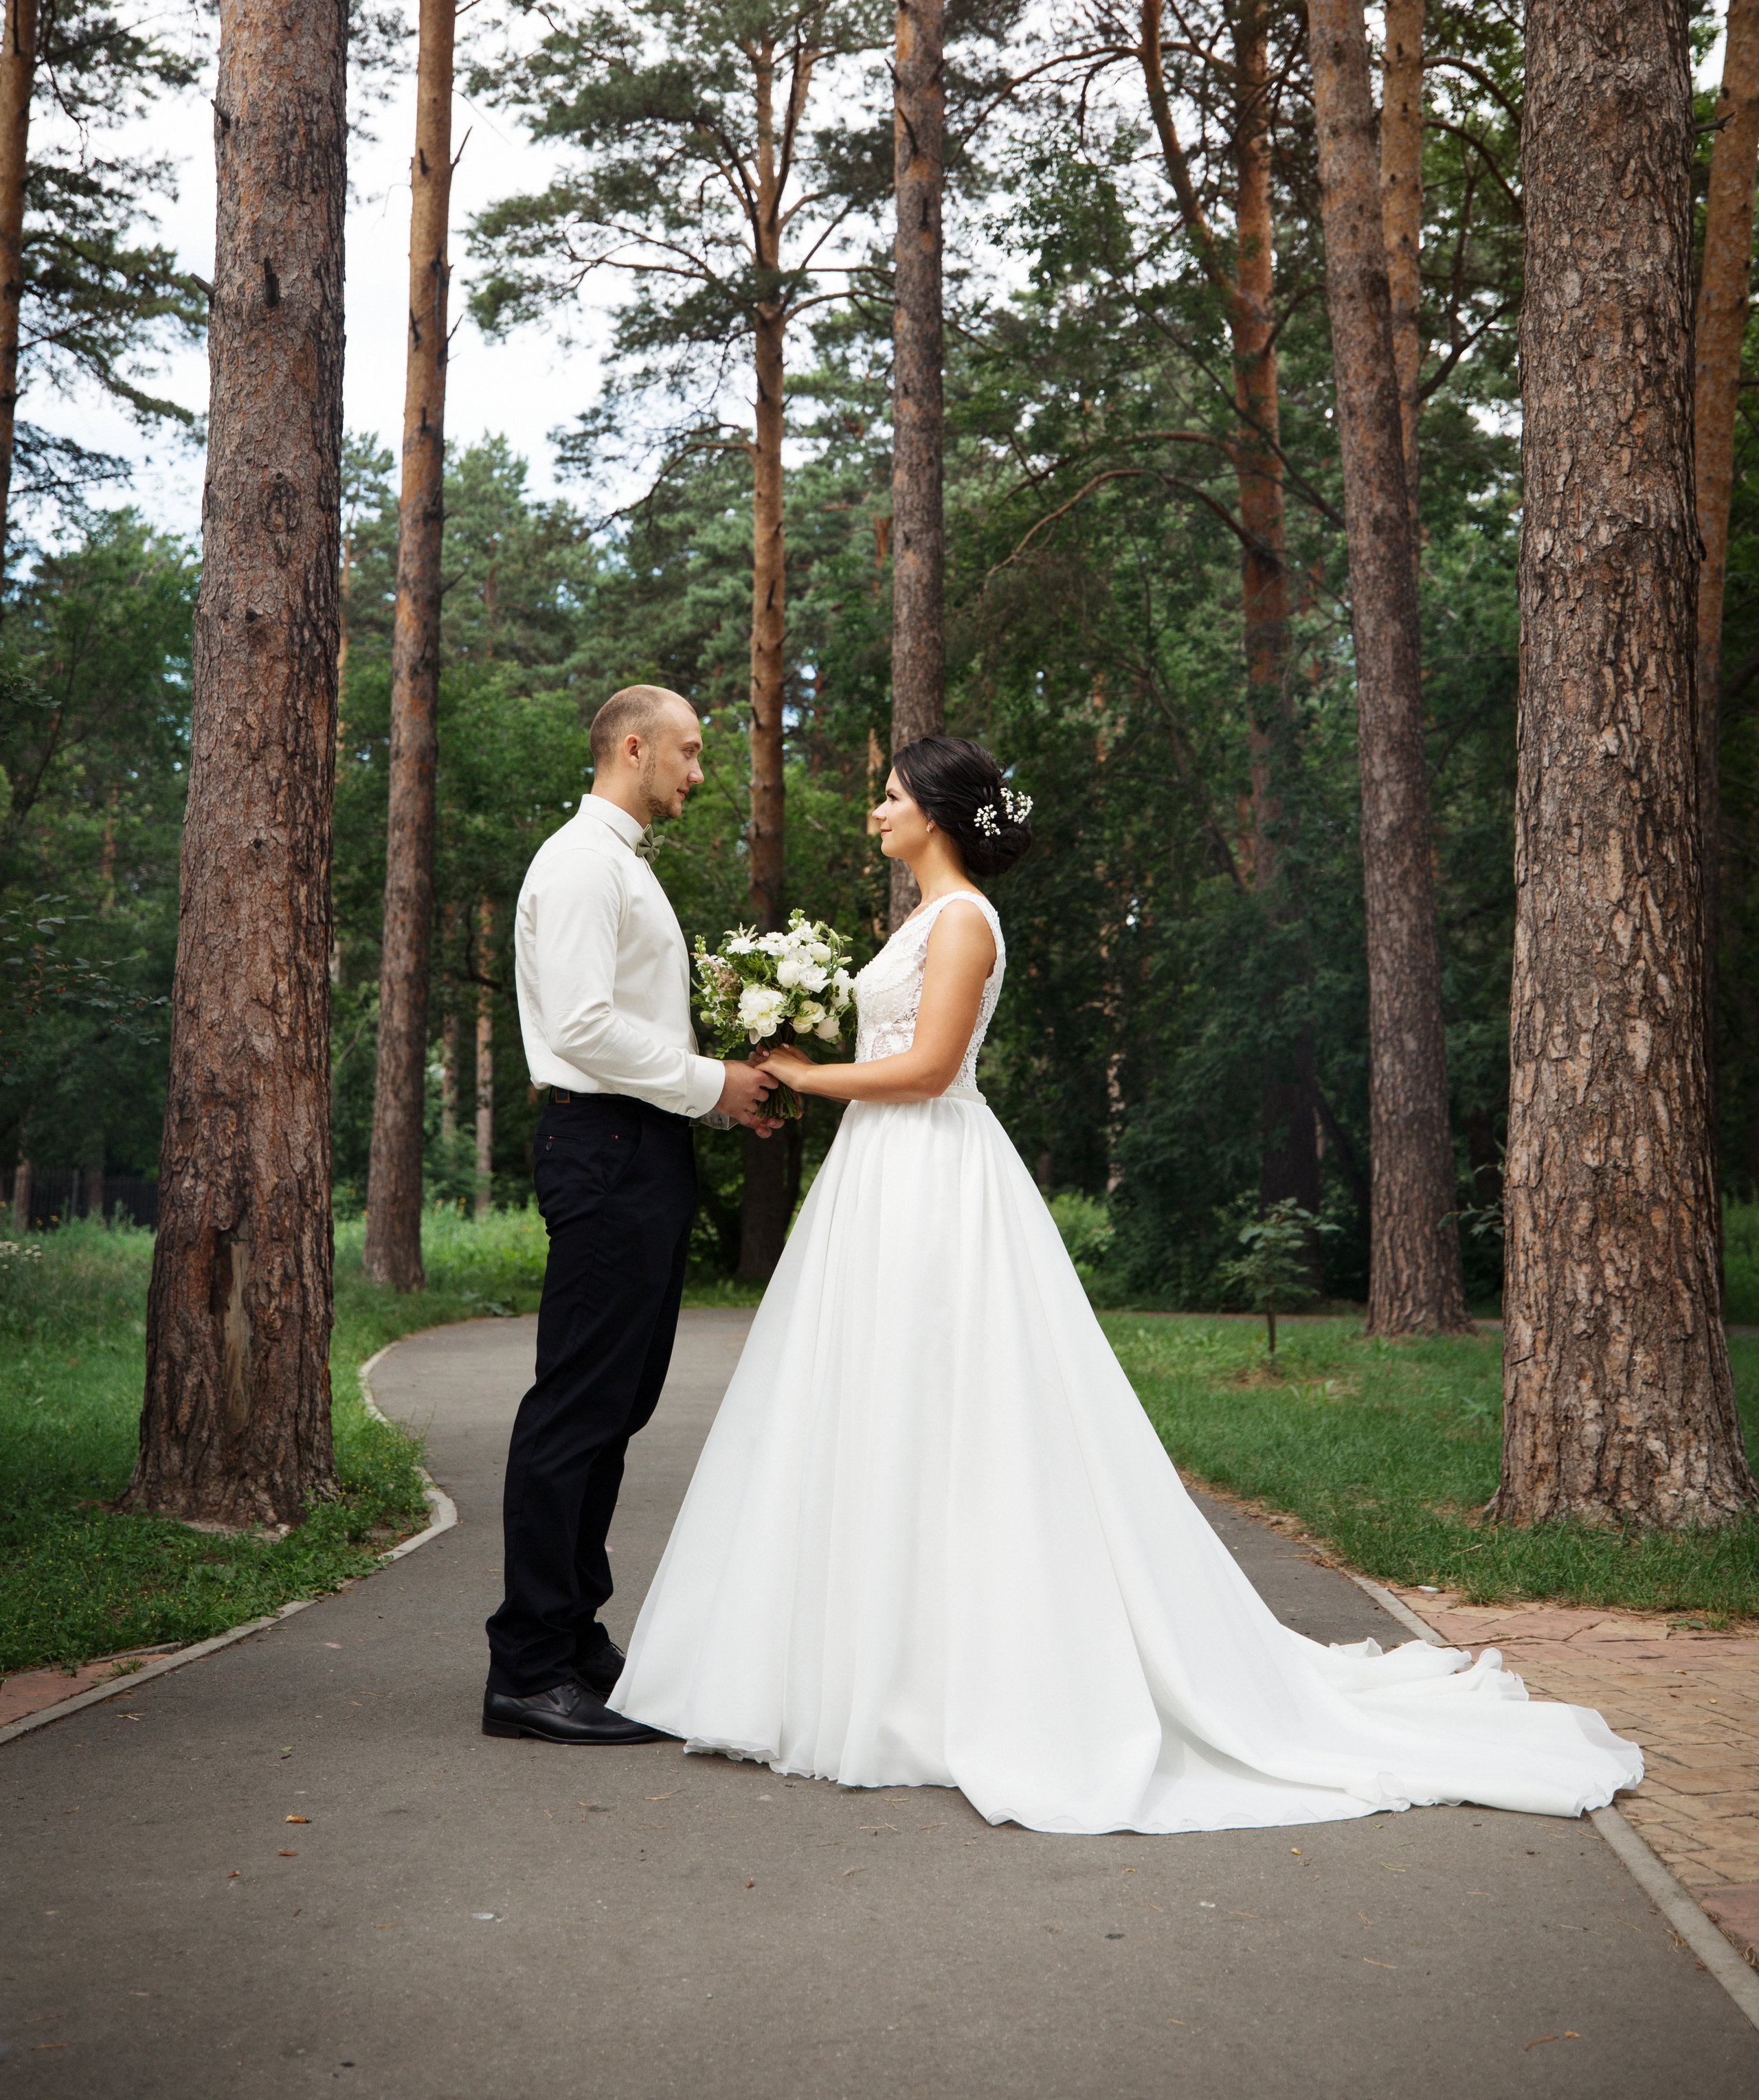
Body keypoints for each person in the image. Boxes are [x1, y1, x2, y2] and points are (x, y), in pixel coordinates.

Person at [611, 735, 1644, 1833]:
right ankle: (868, 1659)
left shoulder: (963, 921)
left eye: (892, 797)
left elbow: (927, 1069)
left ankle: (943, 1680)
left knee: (956, 1404)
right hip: (879, 1180)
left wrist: (808, 1074)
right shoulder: (918, 918)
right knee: (872, 1402)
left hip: (933, 1171)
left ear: (941, 817)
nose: (877, 811)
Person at [482, 686, 778, 1746]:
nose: (700, 774)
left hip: (638, 1146)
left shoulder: (620, 864)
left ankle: (573, 1638)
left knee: (616, 1408)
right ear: (635, 746)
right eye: (691, 754)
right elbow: (582, 1024)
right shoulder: (578, 864)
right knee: (575, 1410)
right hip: (603, 1144)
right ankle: (526, 1667)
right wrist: (714, 1082)